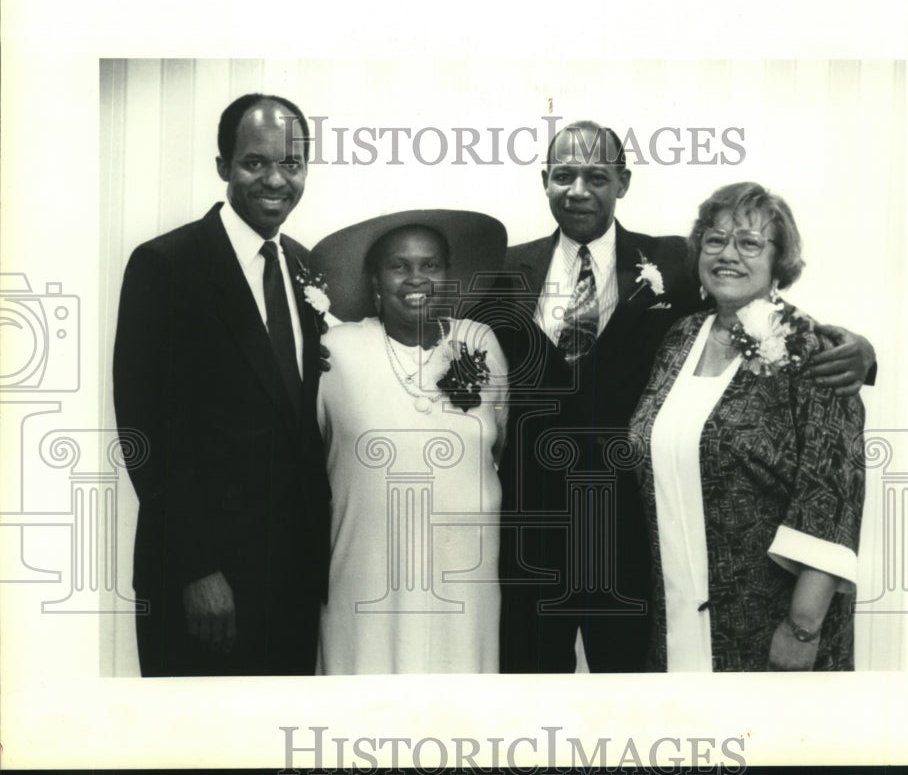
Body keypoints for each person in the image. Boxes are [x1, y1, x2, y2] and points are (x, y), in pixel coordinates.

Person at [495, 121, 875, 673]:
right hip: (534, 535)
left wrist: (859, 352)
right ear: (544, 181)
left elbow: (757, 307)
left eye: (597, 176)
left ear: (622, 182)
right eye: (564, 175)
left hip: (633, 542)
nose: (579, 189)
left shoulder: (672, 262)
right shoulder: (504, 270)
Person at [113, 94, 331, 676]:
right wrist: (196, 569)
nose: (276, 180)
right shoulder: (167, 265)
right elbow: (144, 430)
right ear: (223, 167)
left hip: (292, 580)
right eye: (255, 163)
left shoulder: (307, 267)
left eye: (292, 163)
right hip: (202, 588)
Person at [629, 182, 866, 672]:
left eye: (749, 242)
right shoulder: (679, 338)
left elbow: (832, 499)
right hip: (675, 619)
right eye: (714, 240)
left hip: (773, 629)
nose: (727, 254)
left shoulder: (814, 352)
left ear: (780, 260)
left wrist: (802, 628)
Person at [310, 210, 508, 673]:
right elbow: (308, 459)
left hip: (464, 579)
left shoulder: (481, 342)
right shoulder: (334, 350)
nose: (416, 277)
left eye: (431, 265)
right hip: (365, 573)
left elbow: (499, 448)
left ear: (448, 275)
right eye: (399, 266)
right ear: (375, 281)